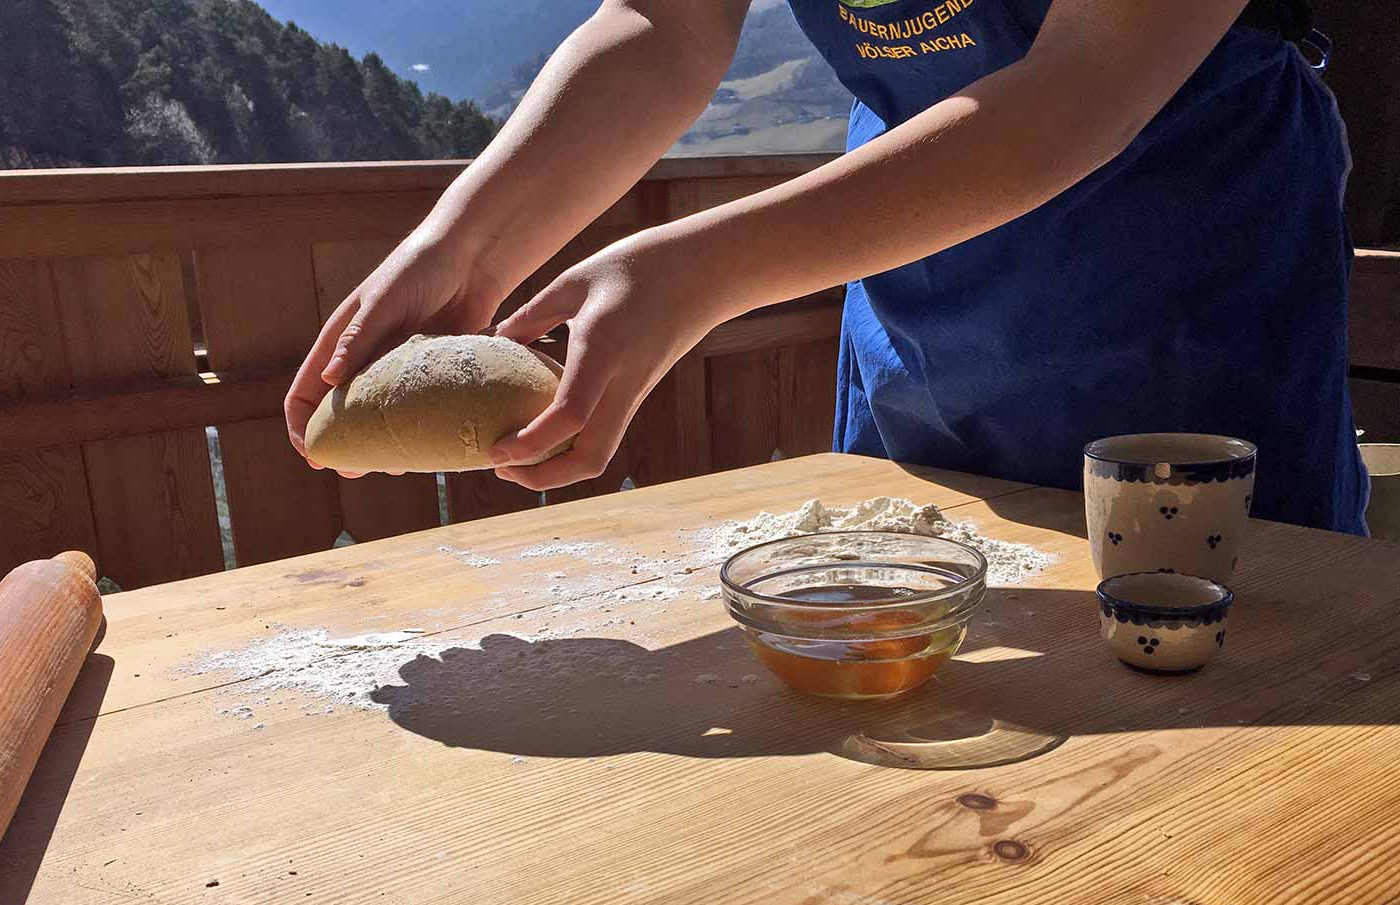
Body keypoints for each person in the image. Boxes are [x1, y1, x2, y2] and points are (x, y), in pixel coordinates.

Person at [286, 0, 1367, 534]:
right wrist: (463, 244)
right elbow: (665, 21)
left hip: (1185, 281)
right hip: (917, 304)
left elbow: (1094, 72)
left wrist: (698, 272)